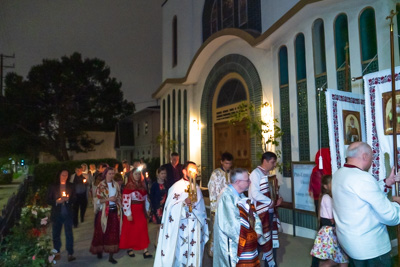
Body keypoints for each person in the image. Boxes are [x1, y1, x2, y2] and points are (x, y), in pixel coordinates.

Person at [333, 142, 400, 266]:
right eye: (372, 157)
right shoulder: (362, 178)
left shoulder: (339, 173)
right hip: (370, 248)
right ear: (365, 156)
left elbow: (362, 196)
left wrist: (387, 182)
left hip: (350, 242)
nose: (372, 161)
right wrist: (397, 204)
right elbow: (390, 216)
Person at [154, 161, 209, 267]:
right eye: (192, 170)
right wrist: (183, 203)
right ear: (184, 171)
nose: (195, 172)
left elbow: (201, 210)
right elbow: (169, 208)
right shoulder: (176, 187)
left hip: (194, 226)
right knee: (180, 254)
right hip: (180, 227)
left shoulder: (197, 188)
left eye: (196, 170)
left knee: (193, 254)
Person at [213, 168, 265, 267]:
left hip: (247, 239)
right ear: (238, 182)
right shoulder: (226, 196)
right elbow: (232, 225)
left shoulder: (240, 195)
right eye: (247, 180)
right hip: (232, 245)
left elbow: (254, 215)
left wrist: (257, 231)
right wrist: (252, 235)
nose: (250, 182)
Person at [249, 152, 283, 267]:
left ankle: (271, 265)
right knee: (260, 241)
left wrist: (277, 200)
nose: (274, 165)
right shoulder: (256, 173)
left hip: (269, 212)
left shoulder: (269, 174)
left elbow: (272, 193)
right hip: (260, 214)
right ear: (265, 161)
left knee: (270, 240)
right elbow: (254, 193)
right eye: (273, 162)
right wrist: (271, 202)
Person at [310, 175, 348, 267]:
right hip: (331, 231)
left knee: (336, 260)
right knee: (342, 259)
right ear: (325, 186)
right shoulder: (327, 198)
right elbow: (332, 216)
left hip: (328, 230)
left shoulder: (325, 197)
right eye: (331, 183)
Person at [89, 167, 122, 264]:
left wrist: (117, 199)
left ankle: (111, 255)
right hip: (104, 212)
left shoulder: (115, 184)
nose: (111, 175)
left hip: (114, 211)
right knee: (101, 232)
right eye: (109, 173)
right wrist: (108, 199)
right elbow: (96, 200)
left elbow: (119, 195)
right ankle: (99, 249)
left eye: (113, 173)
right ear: (105, 174)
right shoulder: (101, 185)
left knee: (113, 233)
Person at [119, 167, 153, 259]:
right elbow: (125, 201)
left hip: (141, 211)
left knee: (143, 229)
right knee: (131, 230)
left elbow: (146, 199)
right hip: (132, 211)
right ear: (132, 175)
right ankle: (130, 248)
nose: (137, 176)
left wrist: (147, 210)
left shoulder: (142, 186)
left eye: (139, 174)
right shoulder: (128, 186)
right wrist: (128, 213)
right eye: (135, 174)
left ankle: (145, 250)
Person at [207, 151, 234, 257]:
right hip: (218, 207)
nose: (228, 166)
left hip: (229, 206)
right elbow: (212, 190)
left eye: (230, 163)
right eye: (226, 163)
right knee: (216, 229)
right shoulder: (215, 173)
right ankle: (213, 252)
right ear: (221, 162)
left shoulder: (232, 173)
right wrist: (214, 207)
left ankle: (227, 251)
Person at [47, 169, 77, 262]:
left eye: (66, 175)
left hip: (67, 213)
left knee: (69, 233)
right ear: (59, 175)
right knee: (56, 234)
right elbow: (48, 199)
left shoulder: (71, 186)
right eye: (63, 175)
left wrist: (68, 200)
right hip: (57, 214)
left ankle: (70, 253)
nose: (65, 177)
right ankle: (57, 252)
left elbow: (75, 198)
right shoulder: (53, 186)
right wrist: (56, 201)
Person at [308, 148, 331, 217]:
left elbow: (312, 189)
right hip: (326, 200)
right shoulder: (333, 170)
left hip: (319, 200)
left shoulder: (316, 170)